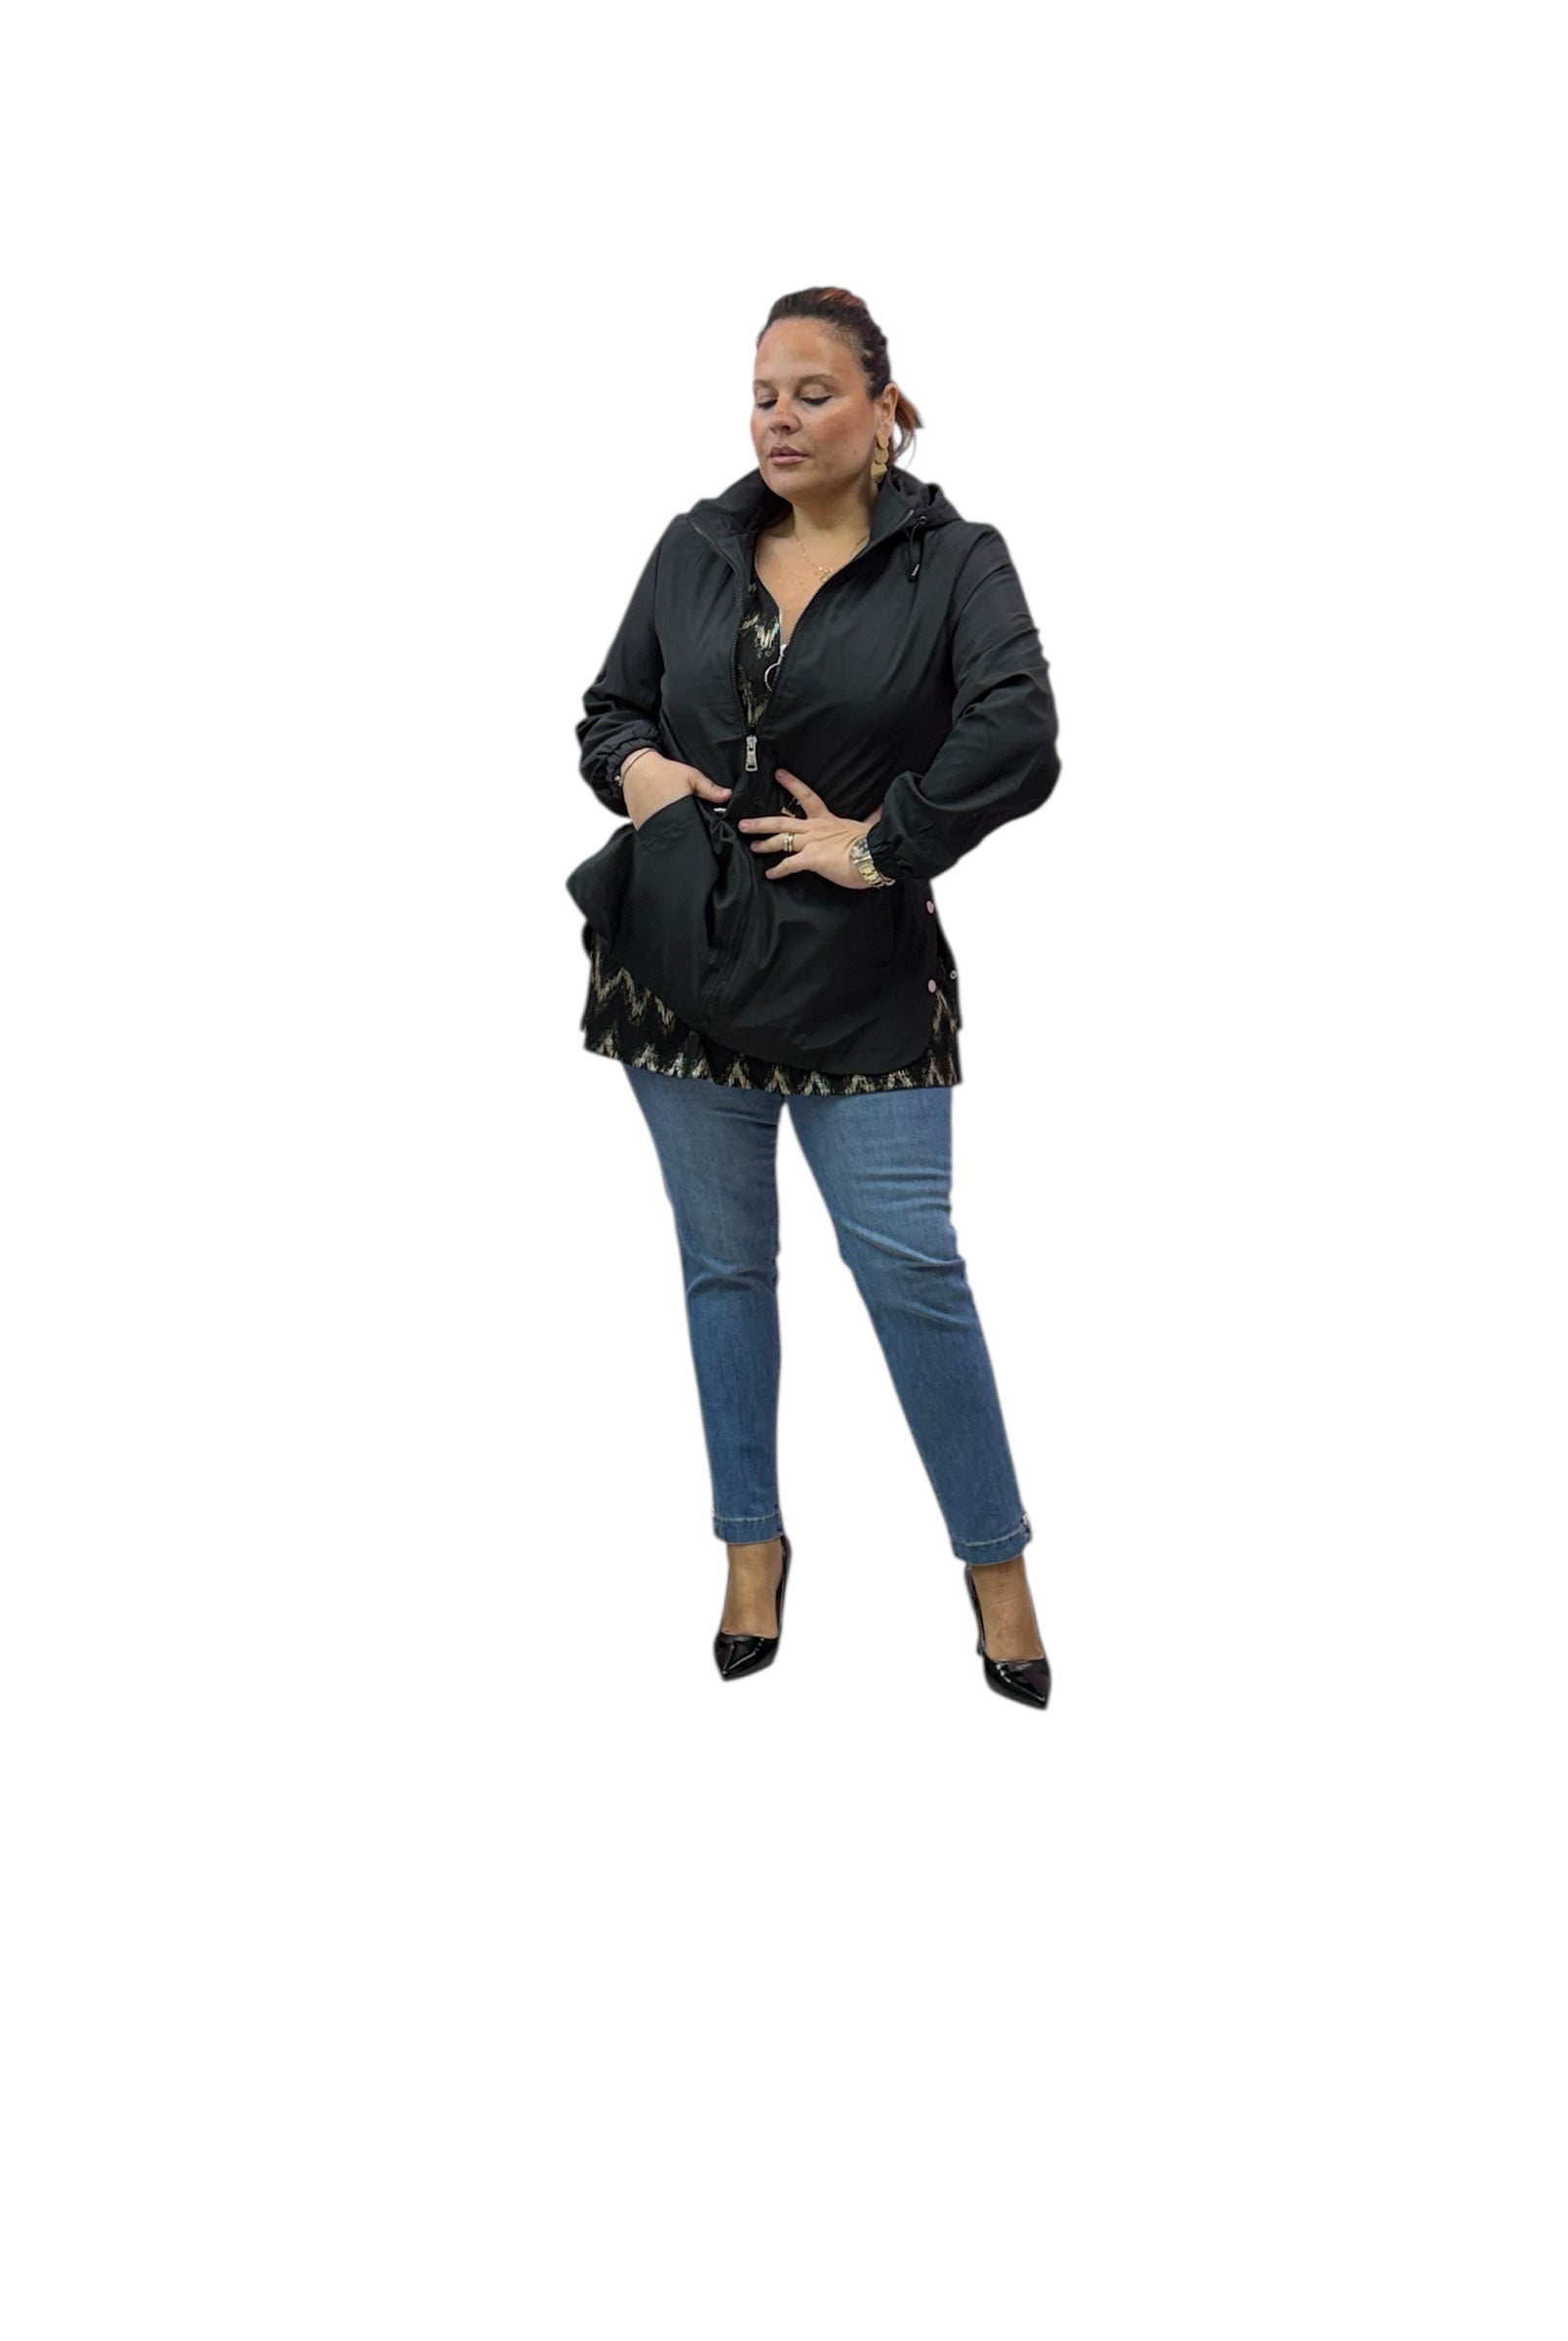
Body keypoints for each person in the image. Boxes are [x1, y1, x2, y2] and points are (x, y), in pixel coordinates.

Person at [566, 286, 1063, 1707]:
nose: (778, 419)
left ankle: (998, 1569)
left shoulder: (957, 563)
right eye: (762, 394)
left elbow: (1020, 734)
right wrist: (639, 772)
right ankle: (751, 1545)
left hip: (861, 983)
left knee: (912, 1272)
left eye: (813, 393)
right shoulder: (695, 545)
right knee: (724, 1271)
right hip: (679, 968)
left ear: (883, 409)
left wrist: (882, 844)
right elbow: (608, 710)